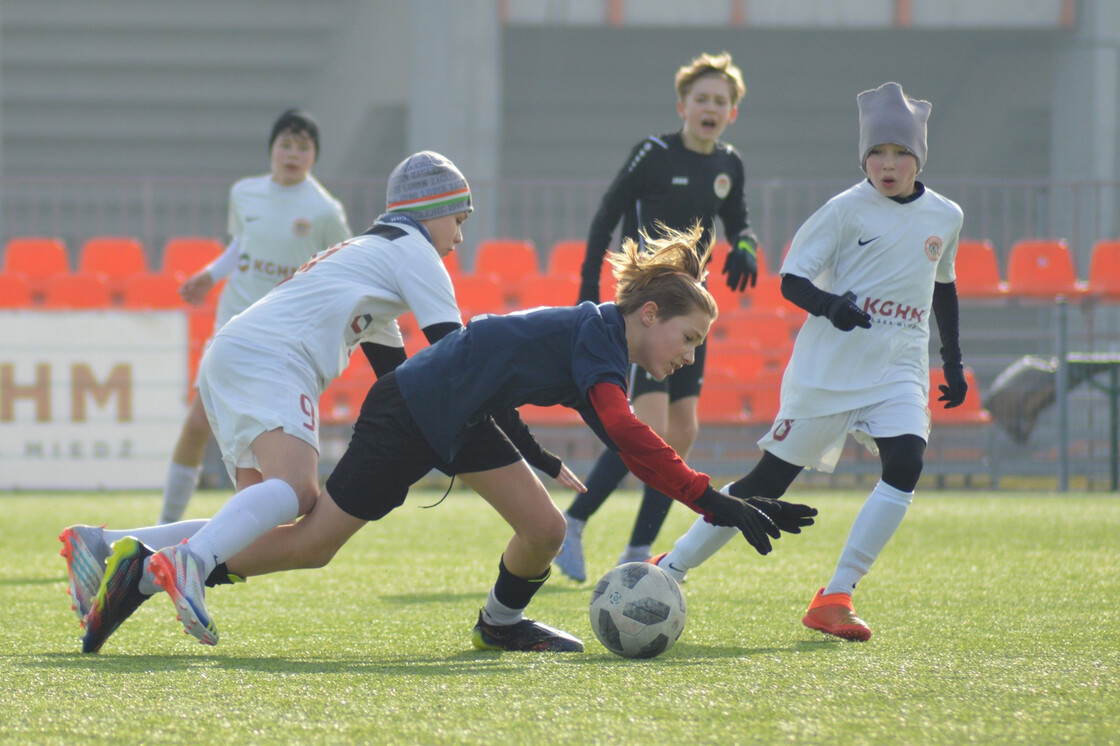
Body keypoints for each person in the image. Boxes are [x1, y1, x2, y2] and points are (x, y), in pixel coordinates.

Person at [74, 224, 818, 654]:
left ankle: (500, 624)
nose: (689, 357)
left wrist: (715, 497)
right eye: (688, 339)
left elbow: (556, 396)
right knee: (311, 542)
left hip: (460, 416)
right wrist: (712, 502)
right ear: (650, 314)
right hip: (412, 410)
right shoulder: (602, 336)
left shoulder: (604, 342)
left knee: (543, 528)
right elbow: (625, 430)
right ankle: (146, 567)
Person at [61, 151, 482, 652]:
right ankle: (188, 561)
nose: (459, 237)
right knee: (298, 491)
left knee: (262, 517)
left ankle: (103, 546)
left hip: (236, 351)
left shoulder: (372, 257)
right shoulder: (415, 252)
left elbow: (400, 376)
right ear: (430, 210)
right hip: (272, 358)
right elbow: (456, 358)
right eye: (458, 220)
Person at [650, 82, 968, 642]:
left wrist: (955, 362)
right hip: (829, 372)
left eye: (900, 154)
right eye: (877, 153)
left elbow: (944, 287)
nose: (887, 165)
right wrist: (832, 306)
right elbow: (792, 280)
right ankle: (671, 567)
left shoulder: (946, 216)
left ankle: (837, 594)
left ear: (918, 157)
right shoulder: (844, 210)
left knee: (907, 462)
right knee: (769, 479)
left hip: (899, 369)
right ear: (864, 157)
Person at [556, 51, 761, 582]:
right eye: (702, 99)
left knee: (683, 431)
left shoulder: (729, 164)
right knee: (648, 427)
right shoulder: (652, 153)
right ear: (683, 106)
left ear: (732, 112)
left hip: (692, 309)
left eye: (721, 100)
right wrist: (585, 287)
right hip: (650, 307)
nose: (710, 107)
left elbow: (738, 217)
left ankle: (638, 548)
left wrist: (745, 245)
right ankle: (572, 525)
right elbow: (606, 213)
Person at [162, 109, 351, 525]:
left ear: (314, 157)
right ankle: (165, 528)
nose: (293, 153)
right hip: (233, 325)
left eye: (303, 147)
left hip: (282, 340)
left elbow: (343, 270)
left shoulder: (324, 211)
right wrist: (209, 276)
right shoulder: (244, 193)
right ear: (272, 150)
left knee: (262, 448)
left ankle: (256, 535)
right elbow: (242, 248)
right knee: (197, 425)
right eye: (286, 144)